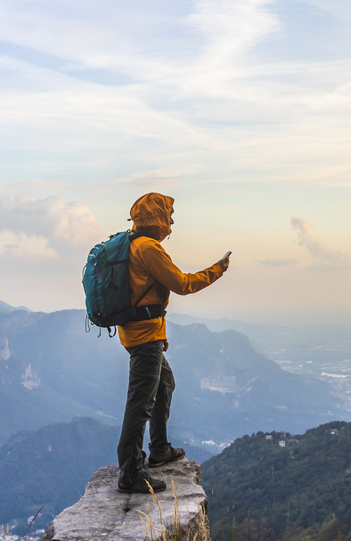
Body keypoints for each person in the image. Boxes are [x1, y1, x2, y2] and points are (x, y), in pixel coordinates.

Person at [115, 192, 231, 494]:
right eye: (168, 215)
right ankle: (130, 473)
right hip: (144, 336)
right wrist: (218, 269)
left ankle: (159, 449)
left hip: (140, 332)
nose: (172, 221)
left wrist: (161, 335)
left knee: (164, 383)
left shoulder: (130, 244)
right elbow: (183, 284)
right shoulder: (149, 249)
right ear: (156, 220)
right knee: (140, 403)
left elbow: (143, 293)